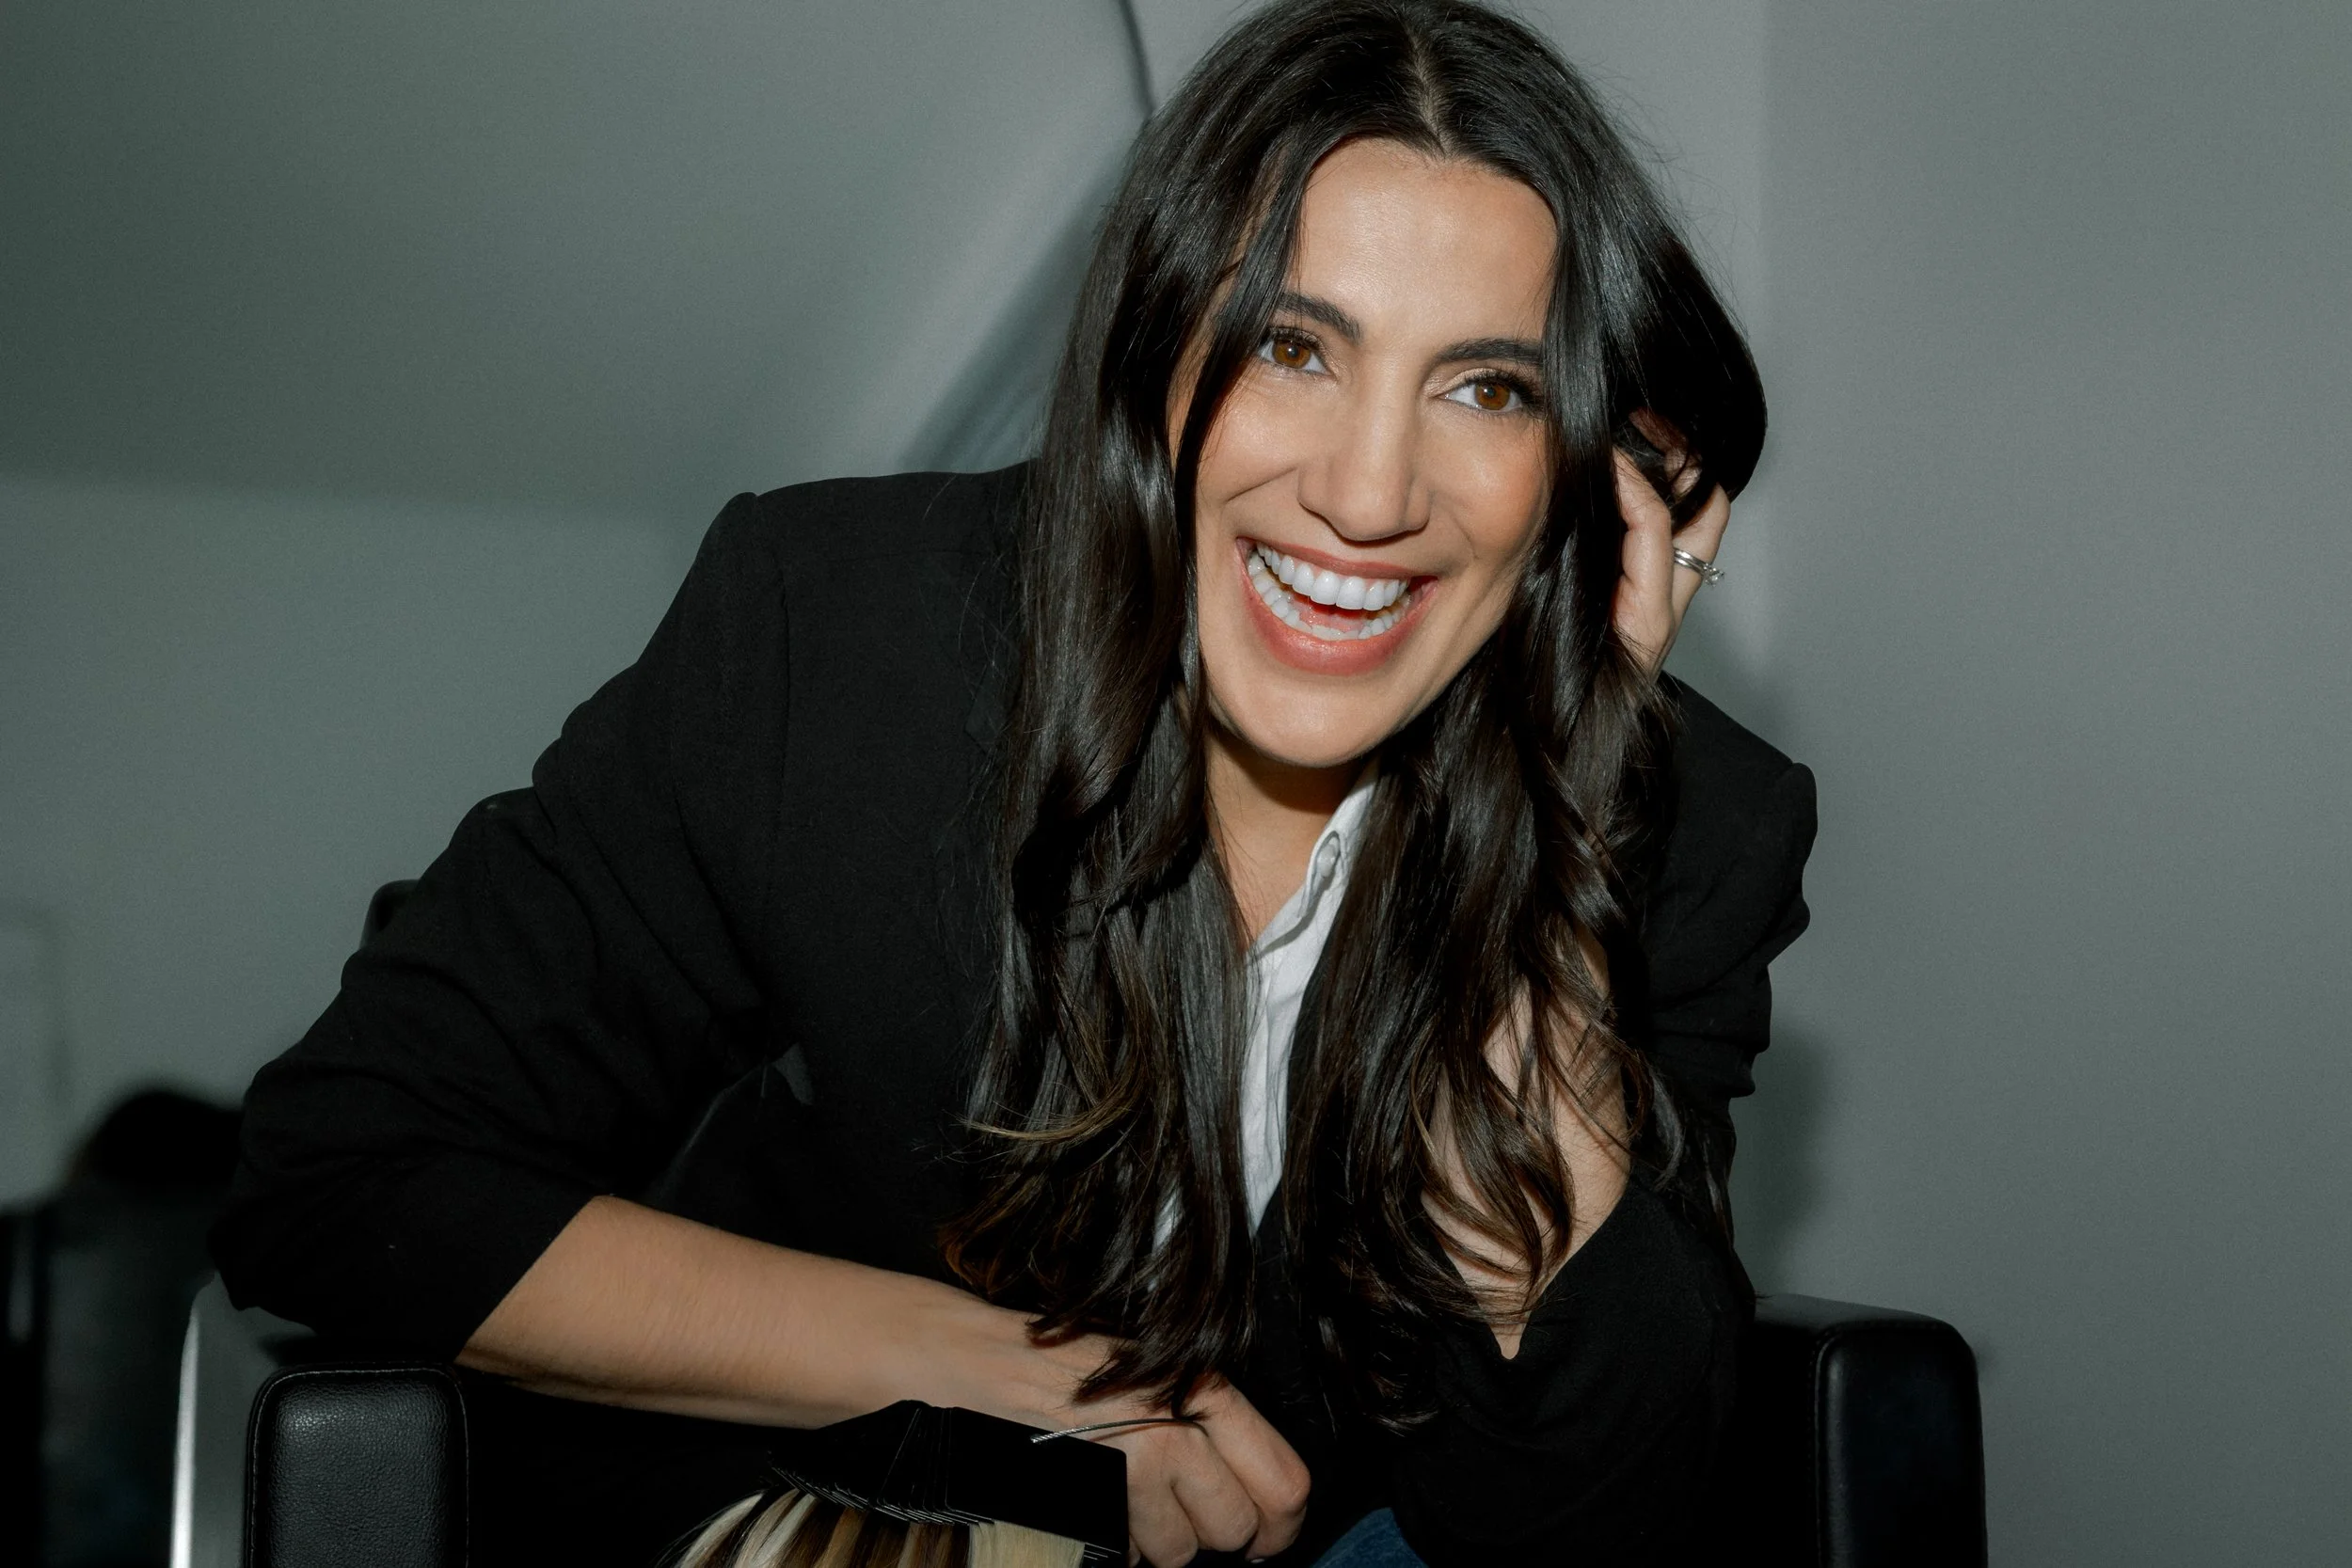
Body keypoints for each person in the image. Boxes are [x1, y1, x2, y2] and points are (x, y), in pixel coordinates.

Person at [212, 3, 1816, 1564]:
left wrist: (1548, 875)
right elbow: (343, 1174)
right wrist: (995, 1372)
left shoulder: (1692, 830)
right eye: (1290, 347)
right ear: (1151, 350)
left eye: (1487, 388)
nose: (1369, 489)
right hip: (840, 1497)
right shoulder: (836, 639)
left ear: (1589, 469)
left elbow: (1590, 1514)